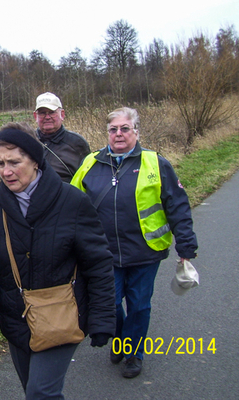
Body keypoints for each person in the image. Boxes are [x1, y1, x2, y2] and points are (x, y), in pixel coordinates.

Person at [0, 122, 115, 399]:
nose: (6, 171)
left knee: (40, 392)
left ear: (35, 161)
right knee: (35, 392)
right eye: (0, 163)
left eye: (14, 162)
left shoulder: (72, 202)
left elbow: (98, 263)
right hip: (17, 318)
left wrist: (103, 319)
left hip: (63, 314)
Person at [71, 107, 199, 379]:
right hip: (104, 254)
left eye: (124, 129)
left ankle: (133, 353)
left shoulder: (156, 163)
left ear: (136, 132)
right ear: (107, 133)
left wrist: (186, 245)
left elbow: (177, 205)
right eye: (113, 129)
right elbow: (72, 205)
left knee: (139, 305)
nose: (118, 134)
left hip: (145, 254)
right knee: (111, 303)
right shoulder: (91, 163)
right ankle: (120, 339)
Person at [33, 92, 91, 183]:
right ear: (35, 116)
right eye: (42, 113)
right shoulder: (27, 140)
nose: (47, 117)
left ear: (62, 114)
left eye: (52, 112)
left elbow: (89, 179)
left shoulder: (77, 143)